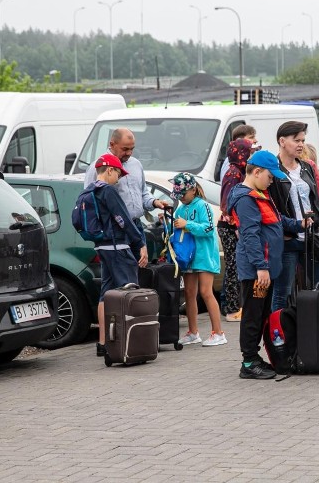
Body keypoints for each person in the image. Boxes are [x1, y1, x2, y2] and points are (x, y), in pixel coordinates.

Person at [226, 150, 302, 379]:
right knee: (253, 315)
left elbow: (278, 221)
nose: (272, 181)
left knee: (260, 314)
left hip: (264, 268)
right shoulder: (247, 199)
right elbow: (249, 235)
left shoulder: (260, 194)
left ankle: (253, 358)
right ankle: (248, 362)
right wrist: (261, 267)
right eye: (270, 176)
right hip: (257, 271)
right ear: (257, 171)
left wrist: (301, 223)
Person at [87, 154, 147, 358]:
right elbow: (124, 219)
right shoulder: (108, 191)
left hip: (102, 248)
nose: (119, 179)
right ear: (110, 170)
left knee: (106, 293)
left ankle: (105, 343)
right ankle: (132, 344)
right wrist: (139, 243)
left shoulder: (90, 190)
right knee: (130, 293)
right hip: (118, 246)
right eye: (119, 174)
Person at [269, 121, 319, 310]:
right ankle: (277, 336)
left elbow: (317, 204)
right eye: (296, 140)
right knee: (283, 292)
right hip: (288, 240)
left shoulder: (307, 167)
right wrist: (288, 229)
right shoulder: (272, 170)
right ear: (282, 141)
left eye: (303, 140)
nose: (301, 145)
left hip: (312, 239)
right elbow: (272, 210)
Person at [84, 128, 172, 262]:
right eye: (125, 149)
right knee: (123, 276)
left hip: (136, 227)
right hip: (114, 230)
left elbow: (143, 194)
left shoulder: (136, 164)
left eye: (132, 149)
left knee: (139, 272)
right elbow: (89, 200)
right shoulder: (98, 167)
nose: (129, 153)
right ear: (112, 144)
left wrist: (155, 202)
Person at [170, 172, 226, 347]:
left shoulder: (203, 205)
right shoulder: (181, 208)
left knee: (206, 292)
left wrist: (188, 225)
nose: (181, 199)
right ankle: (193, 332)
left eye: (183, 194)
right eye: (178, 196)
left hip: (204, 257)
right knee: (189, 293)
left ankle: (218, 333)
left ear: (193, 190)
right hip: (188, 258)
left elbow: (209, 228)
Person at [219, 138, 253, 322]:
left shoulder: (239, 172)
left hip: (233, 225)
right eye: (249, 152)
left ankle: (236, 306)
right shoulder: (233, 174)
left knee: (236, 266)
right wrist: (236, 224)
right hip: (229, 226)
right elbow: (228, 203)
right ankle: (232, 310)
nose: (251, 155)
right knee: (233, 266)